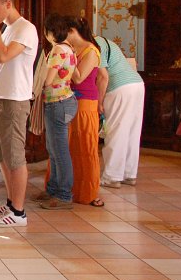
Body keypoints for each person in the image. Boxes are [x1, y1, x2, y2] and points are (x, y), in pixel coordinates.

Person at [0, 0, 38, 227]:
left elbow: (2, 56)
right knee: (1, 156)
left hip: (15, 100)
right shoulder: (8, 29)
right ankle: (10, 201)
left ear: (8, 4)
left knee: (15, 157)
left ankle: (18, 212)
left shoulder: (26, 29)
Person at [36, 14, 78, 209]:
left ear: (49, 32)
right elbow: (75, 75)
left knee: (59, 151)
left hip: (57, 103)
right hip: (66, 100)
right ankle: (52, 189)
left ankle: (63, 195)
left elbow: (48, 80)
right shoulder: (70, 49)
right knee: (54, 149)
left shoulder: (57, 50)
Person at [96, 34, 145, 187]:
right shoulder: (105, 40)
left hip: (119, 88)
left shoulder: (95, 44)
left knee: (115, 131)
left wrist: (99, 101)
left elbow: (103, 77)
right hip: (137, 84)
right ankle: (129, 174)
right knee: (131, 131)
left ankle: (112, 176)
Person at [64, 16, 103, 207]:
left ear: (73, 31)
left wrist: (67, 57)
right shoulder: (73, 49)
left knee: (86, 147)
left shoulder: (91, 51)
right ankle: (68, 188)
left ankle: (88, 192)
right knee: (69, 146)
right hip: (69, 100)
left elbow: (79, 78)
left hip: (85, 103)